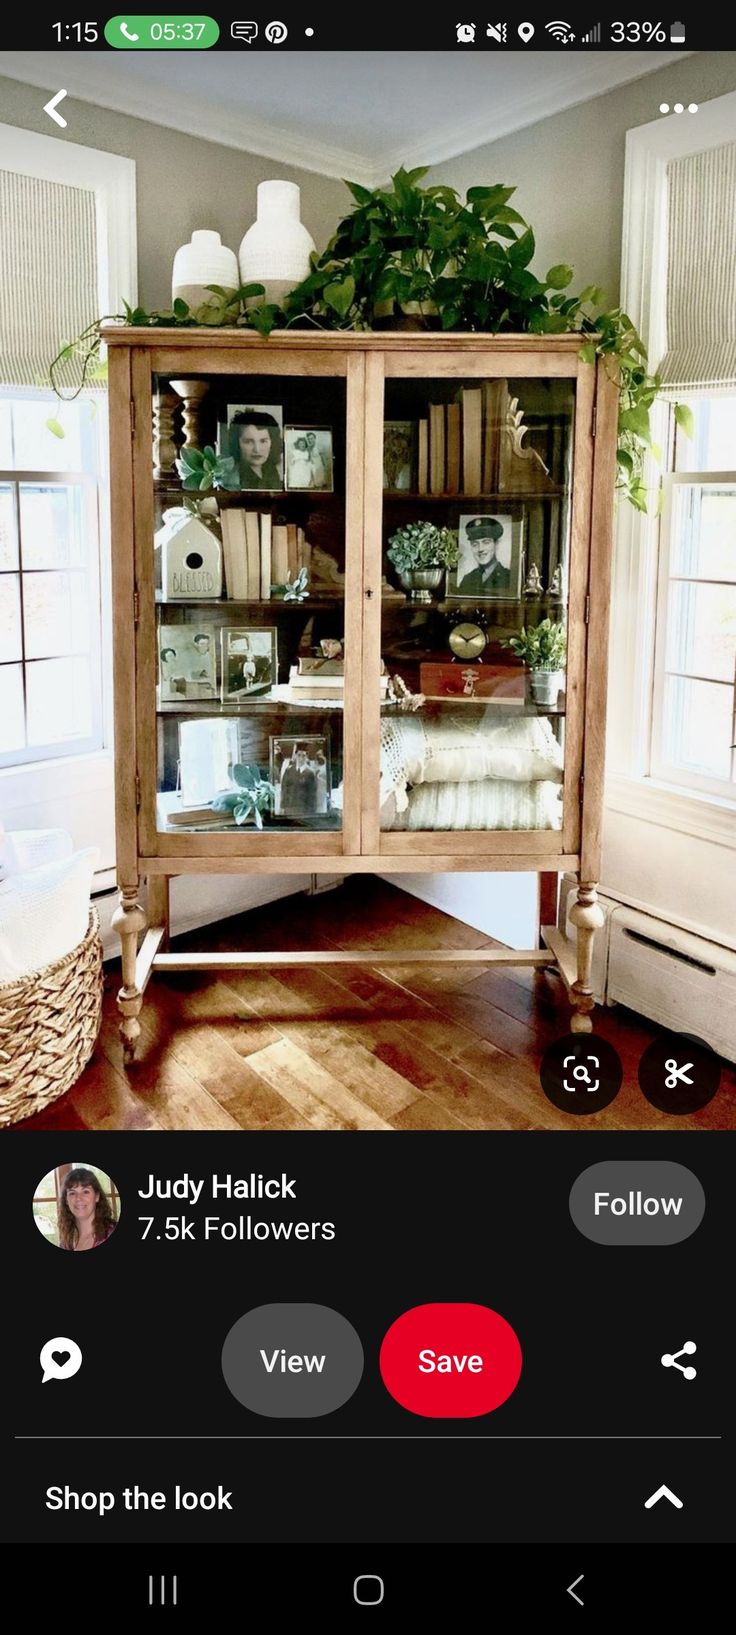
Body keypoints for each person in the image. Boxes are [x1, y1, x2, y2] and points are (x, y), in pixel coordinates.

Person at [58, 1167, 117, 1252]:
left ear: (97, 1196)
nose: (78, 1198)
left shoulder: (111, 1232)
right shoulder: (65, 1243)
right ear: (66, 1200)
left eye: (85, 1191)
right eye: (72, 1193)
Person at [457, 516, 511, 595]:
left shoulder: (509, 578)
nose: (480, 549)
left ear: (496, 544)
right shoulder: (467, 579)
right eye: (475, 544)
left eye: (486, 542)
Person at [232, 409, 283, 490]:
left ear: (273, 443)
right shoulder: (233, 479)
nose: (257, 449)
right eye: (248, 442)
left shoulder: (272, 472)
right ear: (237, 443)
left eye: (263, 441)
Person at [280, 744, 318, 817]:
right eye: (299, 755)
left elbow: (312, 794)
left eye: (303, 756)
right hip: (289, 808)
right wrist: (282, 807)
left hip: (304, 809)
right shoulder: (288, 771)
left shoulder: (310, 773)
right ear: (295, 756)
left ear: (306, 757)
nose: (301, 758)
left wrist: (312, 811)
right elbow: (284, 789)